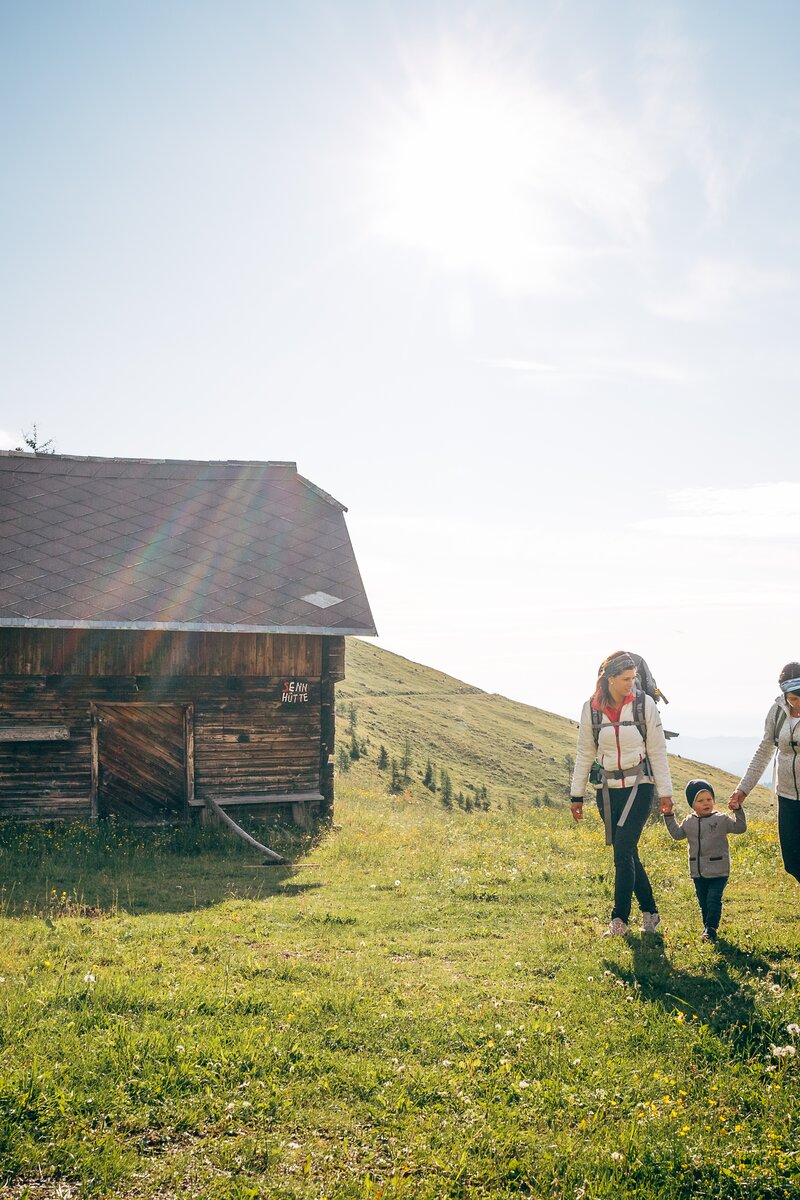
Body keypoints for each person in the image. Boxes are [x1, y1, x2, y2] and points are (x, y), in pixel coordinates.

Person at [570, 650, 673, 936]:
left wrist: (665, 793)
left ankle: (619, 920)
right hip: (607, 789)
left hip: (640, 785)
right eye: (626, 679)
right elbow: (585, 752)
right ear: (610, 679)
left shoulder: (644, 705)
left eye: (634, 678)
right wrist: (576, 795)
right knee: (626, 852)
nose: (631, 684)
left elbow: (657, 750)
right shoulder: (591, 708)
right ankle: (651, 912)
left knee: (624, 850)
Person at [729, 661, 800, 882]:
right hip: (787, 796)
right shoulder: (777, 712)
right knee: (792, 862)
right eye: (794, 698)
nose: (798, 703)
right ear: (785, 694)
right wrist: (743, 789)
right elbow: (764, 751)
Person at [662, 779, 747, 942]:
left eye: (709, 799)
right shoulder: (689, 821)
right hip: (698, 871)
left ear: (714, 800)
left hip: (718, 870)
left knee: (713, 898)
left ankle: (711, 928)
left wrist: (738, 810)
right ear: (692, 805)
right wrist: (668, 815)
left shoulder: (721, 819)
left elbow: (740, 828)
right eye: (700, 801)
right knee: (703, 902)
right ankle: (707, 928)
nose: (706, 803)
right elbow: (677, 835)